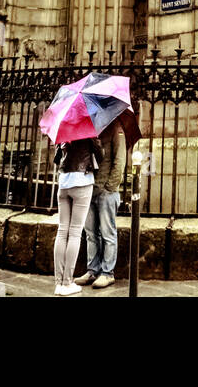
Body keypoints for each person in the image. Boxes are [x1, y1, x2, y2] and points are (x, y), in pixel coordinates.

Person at [75, 117, 126, 289]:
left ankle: (107, 273)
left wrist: (110, 187)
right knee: (90, 233)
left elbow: (120, 159)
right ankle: (92, 270)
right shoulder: (88, 129)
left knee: (107, 233)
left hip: (106, 191)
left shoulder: (115, 128)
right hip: (88, 187)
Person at [53, 135, 103, 296]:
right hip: (82, 181)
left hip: (64, 183)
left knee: (62, 232)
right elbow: (100, 155)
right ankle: (67, 282)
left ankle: (58, 283)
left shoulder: (62, 129)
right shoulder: (87, 129)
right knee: (75, 233)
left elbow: (57, 158)